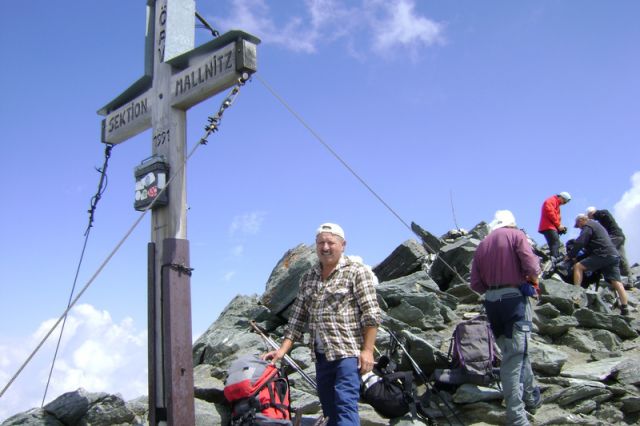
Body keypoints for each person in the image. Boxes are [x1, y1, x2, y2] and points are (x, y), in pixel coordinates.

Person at [263, 223, 381, 425]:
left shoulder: (356, 272)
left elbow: (371, 313)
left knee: (345, 404)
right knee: (329, 410)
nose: (325, 247)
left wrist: (368, 351)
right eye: (320, 243)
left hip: (347, 353)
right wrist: (282, 350)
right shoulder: (308, 277)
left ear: (343, 245)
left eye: (330, 242)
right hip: (320, 355)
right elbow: (297, 317)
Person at [471, 210, 541, 426]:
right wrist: (532, 279)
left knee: (515, 352)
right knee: (513, 357)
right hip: (513, 300)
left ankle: (531, 396)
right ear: (511, 223)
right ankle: (516, 416)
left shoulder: (482, 244)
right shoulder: (516, 235)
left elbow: (475, 283)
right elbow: (531, 265)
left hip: (492, 302)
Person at [569, 214, 629, 315]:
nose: (579, 228)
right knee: (616, 282)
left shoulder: (588, 226)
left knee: (578, 266)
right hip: (613, 255)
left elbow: (581, 242)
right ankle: (625, 308)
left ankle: (577, 295)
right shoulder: (599, 226)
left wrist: (571, 255)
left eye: (578, 225)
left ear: (581, 220)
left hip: (602, 254)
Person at [587, 206, 636, 287]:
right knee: (622, 258)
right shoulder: (601, 220)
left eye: (590, 216)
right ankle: (630, 281)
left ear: (592, 213)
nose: (592, 219)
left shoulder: (603, 213)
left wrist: (591, 217)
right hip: (620, 236)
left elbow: (603, 213)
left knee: (604, 252)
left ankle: (605, 277)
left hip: (614, 236)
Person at [538, 192, 572, 260]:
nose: (564, 204)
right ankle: (554, 259)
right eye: (564, 201)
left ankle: (553, 258)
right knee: (555, 242)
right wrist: (558, 225)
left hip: (550, 226)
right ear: (561, 197)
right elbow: (550, 213)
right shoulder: (551, 201)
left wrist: (560, 228)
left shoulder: (556, 203)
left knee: (554, 242)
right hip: (548, 226)